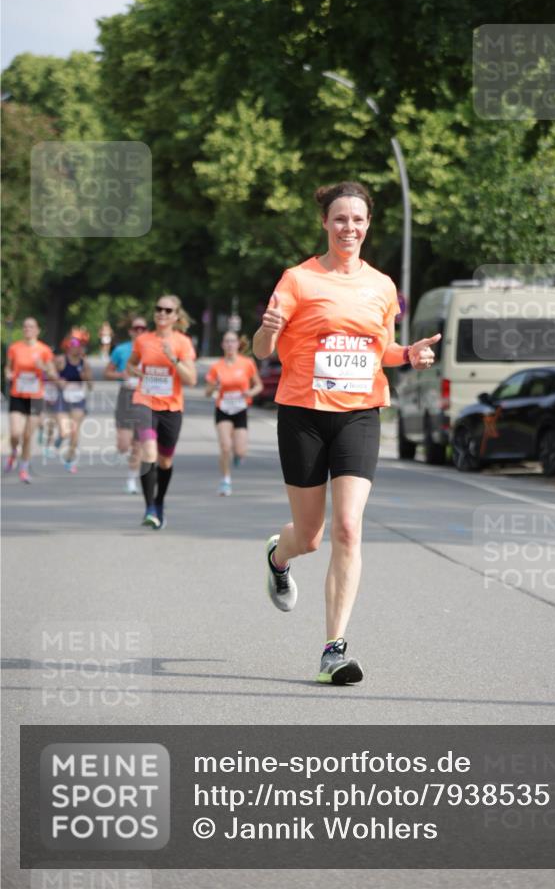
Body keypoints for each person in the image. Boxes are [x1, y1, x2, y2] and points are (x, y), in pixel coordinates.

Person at [253, 181, 440, 685]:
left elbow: (383, 349)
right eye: (340, 219)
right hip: (303, 414)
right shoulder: (297, 279)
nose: (349, 228)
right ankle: (278, 556)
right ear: (325, 223)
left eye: (357, 220)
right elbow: (262, 349)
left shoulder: (381, 286)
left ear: (368, 225)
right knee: (310, 537)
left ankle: (333, 649)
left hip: (360, 413)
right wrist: (269, 328)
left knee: (349, 528)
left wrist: (410, 355)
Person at [126, 295, 197, 529]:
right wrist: (134, 371)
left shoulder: (182, 342)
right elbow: (131, 363)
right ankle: (149, 509)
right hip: (144, 401)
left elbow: (192, 379)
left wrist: (173, 359)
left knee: (165, 460)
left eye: (168, 310)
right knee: (148, 454)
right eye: (158, 309)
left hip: (171, 407)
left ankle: (159, 501)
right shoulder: (143, 340)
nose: (162, 314)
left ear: (176, 316)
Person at [205, 331, 263, 495]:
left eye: (233, 341)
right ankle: (225, 481)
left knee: (240, 450)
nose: (230, 344)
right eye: (227, 341)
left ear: (238, 344)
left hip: (240, 408)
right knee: (225, 447)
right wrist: (213, 387)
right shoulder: (217, 366)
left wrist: (250, 393)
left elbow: (258, 385)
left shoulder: (247, 363)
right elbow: (207, 392)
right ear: (223, 345)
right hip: (223, 408)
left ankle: (238, 455)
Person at [4, 317, 59, 483]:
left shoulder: (44, 350)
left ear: (37, 330)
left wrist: (43, 368)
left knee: (28, 435)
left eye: (31, 327)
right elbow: (8, 367)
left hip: (35, 397)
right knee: (15, 433)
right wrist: (8, 374)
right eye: (25, 326)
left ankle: (24, 468)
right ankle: (14, 452)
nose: (28, 329)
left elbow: (53, 374)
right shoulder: (15, 348)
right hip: (18, 395)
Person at [104, 317, 148, 494]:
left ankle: (131, 480)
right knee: (123, 445)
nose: (139, 331)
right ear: (130, 331)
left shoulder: (152, 350)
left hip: (145, 397)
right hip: (126, 395)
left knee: (138, 443)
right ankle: (123, 448)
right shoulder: (121, 350)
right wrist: (120, 375)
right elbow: (108, 372)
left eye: (142, 328)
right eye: (135, 328)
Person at [55, 335, 93, 473]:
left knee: (74, 432)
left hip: (78, 400)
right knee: (65, 431)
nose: (75, 348)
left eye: (78, 346)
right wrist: (58, 381)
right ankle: (60, 437)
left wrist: (86, 378)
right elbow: (48, 376)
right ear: (68, 347)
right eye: (72, 345)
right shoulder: (60, 360)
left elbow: (91, 386)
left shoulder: (85, 364)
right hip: (62, 399)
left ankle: (70, 460)